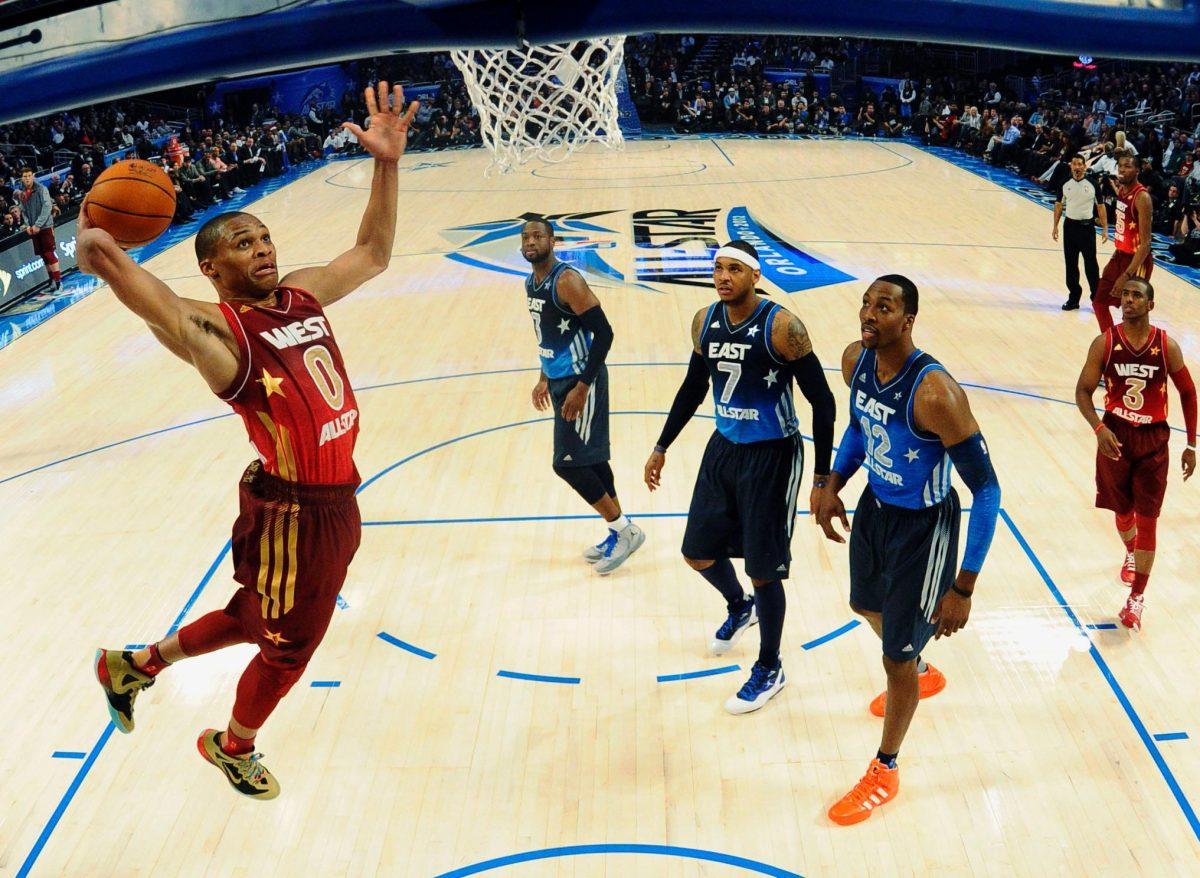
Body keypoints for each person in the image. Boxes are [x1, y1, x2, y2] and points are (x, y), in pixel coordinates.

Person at [84, 82, 417, 800]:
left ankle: (134, 665)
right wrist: (99, 239)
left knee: (258, 615)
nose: (262, 248)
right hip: (296, 511)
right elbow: (149, 297)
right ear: (212, 267)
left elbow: (374, 252)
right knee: (291, 644)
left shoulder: (301, 293)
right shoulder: (220, 335)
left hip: (335, 496)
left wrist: (387, 163)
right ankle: (232, 746)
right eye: (243, 243)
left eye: (265, 237)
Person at [816, 275, 1000, 825]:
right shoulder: (857, 360)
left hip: (926, 527)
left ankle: (885, 766)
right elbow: (859, 428)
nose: (869, 315)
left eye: (885, 307)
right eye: (867, 304)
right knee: (862, 606)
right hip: (877, 507)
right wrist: (834, 482)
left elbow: (986, 489)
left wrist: (962, 587)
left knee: (892, 656)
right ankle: (920, 665)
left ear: (909, 320)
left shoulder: (935, 394)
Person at [644, 240, 836, 715]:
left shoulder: (782, 326)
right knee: (696, 553)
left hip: (773, 454)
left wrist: (821, 476)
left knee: (764, 570)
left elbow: (824, 401)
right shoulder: (704, 321)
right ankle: (738, 605)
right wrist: (661, 445)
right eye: (717, 268)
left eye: (734, 269)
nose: (723, 276)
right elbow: (693, 386)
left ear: (754, 275)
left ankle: (770, 666)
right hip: (724, 448)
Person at [522, 219, 643, 574]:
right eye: (526, 237)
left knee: (566, 463)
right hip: (559, 380)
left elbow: (604, 333)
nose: (531, 241)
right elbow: (545, 334)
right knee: (590, 460)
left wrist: (583, 386)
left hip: (580, 381)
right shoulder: (531, 282)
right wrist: (543, 376)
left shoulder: (567, 280)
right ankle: (617, 529)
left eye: (538, 236)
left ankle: (625, 530)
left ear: (552, 241)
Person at [1074, 278, 1196, 631]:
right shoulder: (1105, 342)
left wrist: (1190, 444)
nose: (1127, 300)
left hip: (1154, 439)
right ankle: (1130, 551)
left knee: (1148, 519)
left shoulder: (1166, 345)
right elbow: (1082, 392)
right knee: (1123, 511)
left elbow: (1188, 393)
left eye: (1136, 295)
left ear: (1150, 305)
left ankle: (1136, 598)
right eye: (1125, 294)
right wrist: (1098, 428)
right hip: (1116, 434)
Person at [1093, 151, 1153, 333]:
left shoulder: (1142, 197)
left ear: (1137, 170)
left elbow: (1146, 243)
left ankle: (1132, 347)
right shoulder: (1121, 190)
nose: (1122, 170)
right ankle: (1111, 342)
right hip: (1120, 254)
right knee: (1099, 302)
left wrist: (1126, 275)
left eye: (1128, 166)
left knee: (1131, 311)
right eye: (1120, 166)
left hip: (1137, 261)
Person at [1053, 154, 1108, 311]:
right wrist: (1055, 225)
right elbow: (1058, 204)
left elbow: (1101, 206)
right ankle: (1074, 297)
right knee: (1071, 264)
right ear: (1071, 166)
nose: (1077, 167)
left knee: (1091, 264)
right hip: (1069, 227)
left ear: (1084, 166)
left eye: (1079, 164)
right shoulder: (1064, 182)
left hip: (1087, 229)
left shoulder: (1092, 183)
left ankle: (1095, 299)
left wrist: (1104, 228)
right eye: (1074, 164)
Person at [15, 167, 62, 291]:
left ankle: (59, 282)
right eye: (25, 176)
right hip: (33, 228)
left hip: (45, 226)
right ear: (22, 178)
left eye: (29, 175)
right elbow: (23, 211)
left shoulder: (42, 189)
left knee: (49, 253)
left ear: (33, 176)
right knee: (43, 255)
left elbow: (47, 207)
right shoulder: (22, 193)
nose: (27, 178)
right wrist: (28, 225)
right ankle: (52, 281)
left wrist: (38, 225)